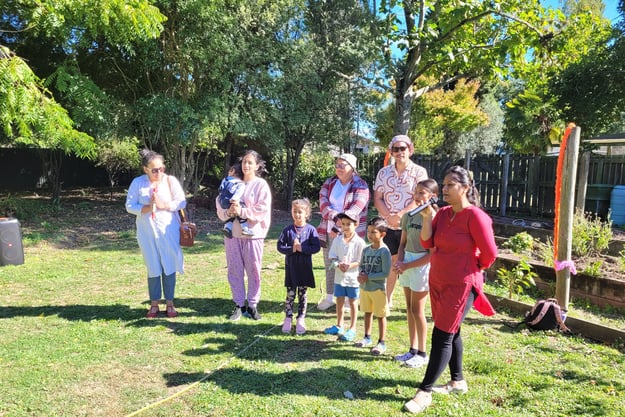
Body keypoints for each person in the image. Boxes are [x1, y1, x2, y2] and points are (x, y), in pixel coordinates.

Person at [403, 166, 498, 414]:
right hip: (438, 281)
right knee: (452, 331)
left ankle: (424, 391)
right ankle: (458, 381)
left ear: (465, 188)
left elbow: (490, 254)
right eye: (443, 185)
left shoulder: (475, 216)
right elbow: (427, 242)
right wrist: (426, 219)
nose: (444, 189)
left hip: (462, 284)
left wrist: (472, 267)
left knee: (442, 334)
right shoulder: (443, 214)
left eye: (450, 185)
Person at [125, 149, 187, 318]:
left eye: (161, 169)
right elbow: (129, 206)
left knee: (169, 264)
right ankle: (154, 304)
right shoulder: (138, 183)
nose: (158, 172)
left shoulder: (170, 181)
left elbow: (181, 201)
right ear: (145, 169)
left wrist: (164, 205)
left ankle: (170, 303)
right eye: (154, 170)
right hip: (147, 231)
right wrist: (147, 207)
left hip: (168, 230)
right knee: (153, 266)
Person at [216, 150, 272, 321]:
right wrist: (228, 211)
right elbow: (220, 204)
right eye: (244, 162)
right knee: (234, 270)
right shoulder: (233, 182)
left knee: (254, 270)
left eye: (250, 162)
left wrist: (242, 211)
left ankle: (253, 304)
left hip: (253, 235)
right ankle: (239, 304)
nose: (246, 165)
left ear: (257, 166)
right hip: (233, 235)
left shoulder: (260, 185)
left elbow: (262, 209)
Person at [374, 135, 428, 306]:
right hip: (387, 225)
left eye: (402, 148)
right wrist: (389, 216)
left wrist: (401, 216)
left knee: (404, 262)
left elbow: (420, 197)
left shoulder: (419, 172)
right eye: (395, 149)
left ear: (410, 150)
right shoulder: (383, 172)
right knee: (389, 263)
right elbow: (378, 197)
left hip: (410, 224)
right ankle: (386, 299)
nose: (399, 152)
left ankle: (413, 302)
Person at [394, 179, 439, 368]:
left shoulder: (433, 218)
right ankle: (412, 349)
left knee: (418, 310)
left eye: (422, 192)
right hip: (406, 262)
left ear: (432, 196)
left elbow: (432, 254)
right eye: (416, 192)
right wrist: (400, 261)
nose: (418, 196)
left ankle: (422, 352)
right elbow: (402, 243)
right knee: (409, 308)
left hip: (421, 264)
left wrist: (408, 265)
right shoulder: (408, 216)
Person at [316, 153, 369, 311]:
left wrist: (338, 226)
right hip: (328, 229)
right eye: (337, 165)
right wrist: (334, 217)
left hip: (350, 233)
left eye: (342, 165)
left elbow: (355, 209)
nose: (338, 168)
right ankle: (330, 297)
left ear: (352, 168)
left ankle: (348, 298)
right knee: (331, 263)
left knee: (349, 264)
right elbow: (322, 201)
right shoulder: (330, 182)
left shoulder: (361, 185)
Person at [277, 198, 321, 335]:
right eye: (294, 211)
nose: (297, 215)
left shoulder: (311, 230)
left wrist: (302, 248)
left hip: (304, 268)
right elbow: (280, 246)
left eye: (300, 212)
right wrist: (292, 249)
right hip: (291, 268)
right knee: (290, 294)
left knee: (303, 294)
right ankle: (288, 318)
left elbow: (316, 247)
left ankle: (301, 318)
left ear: (306, 213)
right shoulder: (287, 230)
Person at [322, 212, 367, 342]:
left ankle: (352, 328)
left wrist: (349, 265)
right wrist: (338, 264)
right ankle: (339, 325)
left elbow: (361, 260)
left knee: (352, 302)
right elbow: (333, 256)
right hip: (339, 277)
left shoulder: (360, 242)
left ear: (356, 225)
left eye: (349, 224)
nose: (345, 227)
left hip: (353, 278)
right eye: (343, 224)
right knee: (339, 300)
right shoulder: (337, 239)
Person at [356, 217, 392, 355]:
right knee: (367, 313)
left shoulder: (384, 252)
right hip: (365, 288)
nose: (369, 235)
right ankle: (367, 337)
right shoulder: (366, 250)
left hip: (378, 290)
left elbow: (385, 273)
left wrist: (368, 277)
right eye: (368, 231)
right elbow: (362, 265)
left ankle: (381, 342)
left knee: (380, 315)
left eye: (373, 232)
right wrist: (361, 275)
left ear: (382, 234)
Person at [218, 163, 253, 238]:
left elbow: (220, 188)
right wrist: (235, 200)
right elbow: (238, 192)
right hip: (232, 200)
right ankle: (245, 228)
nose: (228, 173)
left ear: (233, 171)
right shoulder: (240, 183)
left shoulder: (225, 179)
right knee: (240, 209)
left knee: (232, 213)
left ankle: (227, 227)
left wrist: (221, 198)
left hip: (222, 201)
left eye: (229, 171)